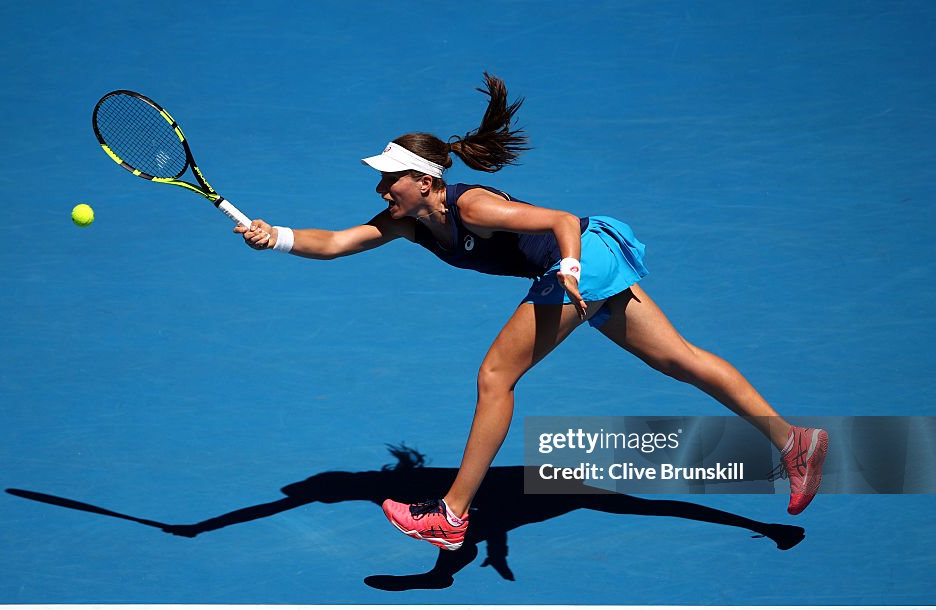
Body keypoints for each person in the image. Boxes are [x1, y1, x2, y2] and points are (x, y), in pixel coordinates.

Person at [233, 73, 828, 551]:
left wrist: (568, 269)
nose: (382, 190)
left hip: (579, 260)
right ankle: (793, 440)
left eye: (390, 180)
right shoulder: (410, 224)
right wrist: (275, 235)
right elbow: (336, 243)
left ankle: (451, 514)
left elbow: (562, 221)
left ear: (424, 180)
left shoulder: (477, 208)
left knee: (496, 376)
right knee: (681, 360)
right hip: (590, 262)